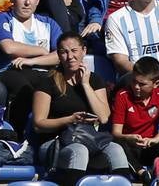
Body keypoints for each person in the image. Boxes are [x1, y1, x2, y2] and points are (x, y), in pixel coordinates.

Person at [31, 31, 127, 185]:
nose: (70, 57)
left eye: (74, 51)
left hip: (89, 139)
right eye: (64, 52)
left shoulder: (94, 80)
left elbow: (103, 117)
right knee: (79, 150)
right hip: (54, 143)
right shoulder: (47, 82)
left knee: (116, 149)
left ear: (84, 51)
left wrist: (85, 84)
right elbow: (38, 124)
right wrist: (69, 120)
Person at [0, 0, 62, 134]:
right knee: (25, 90)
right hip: (9, 71)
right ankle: (17, 135)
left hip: (42, 72)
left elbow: (60, 55)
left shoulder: (48, 23)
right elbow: (9, 47)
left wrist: (30, 61)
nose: (27, 2)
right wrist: (42, 51)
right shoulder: (2, 19)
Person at [110, 55, 159, 174]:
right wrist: (129, 138)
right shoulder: (123, 96)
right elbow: (116, 132)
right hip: (130, 147)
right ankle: (141, 173)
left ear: (156, 83)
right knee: (118, 144)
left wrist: (155, 139)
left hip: (149, 144)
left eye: (142, 84)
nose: (136, 87)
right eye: (134, 81)